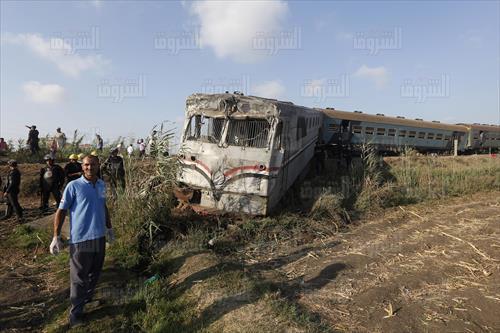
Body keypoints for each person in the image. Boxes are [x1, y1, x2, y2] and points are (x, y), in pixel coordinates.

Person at [50, 154, 114, 327]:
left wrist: (109, 227)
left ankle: (86, 300)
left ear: (98, 165)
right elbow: (61, 211)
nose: (89, 168)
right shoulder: (73, 186)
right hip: (81, 239)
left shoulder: (101, 184)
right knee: (79, 277)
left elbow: (103, 205)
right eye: (86, 165)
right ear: (82, 166)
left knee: (95, 272)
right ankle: (75, 314)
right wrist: (56, 236)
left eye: (93, 164)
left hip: (99, 237)